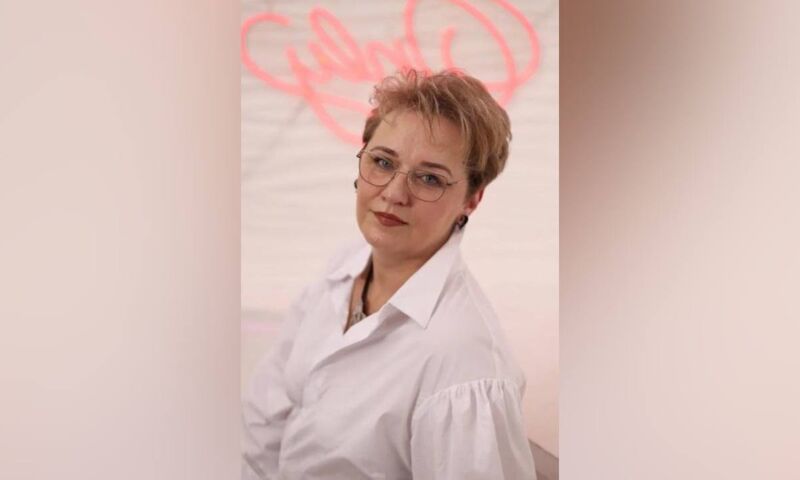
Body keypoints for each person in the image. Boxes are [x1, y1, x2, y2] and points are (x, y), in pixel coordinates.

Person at [242, 69, 536, 479]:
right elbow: (264, 422)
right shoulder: (343, 268)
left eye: (429, 178)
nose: (394, 193)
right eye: (383, 162)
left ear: (472, 199)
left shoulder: (464, 361)